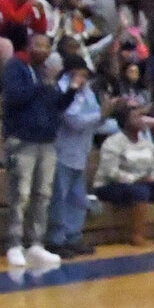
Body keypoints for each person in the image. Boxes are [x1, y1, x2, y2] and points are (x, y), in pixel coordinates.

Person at [0, 25, 69, 270]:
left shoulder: (46, 73)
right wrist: (44, 84)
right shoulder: (15, 68)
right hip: (22, 140)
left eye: (46, 46)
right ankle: (14, 244)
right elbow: (15, 98)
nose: (43, 50)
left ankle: (36, 244)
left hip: (47, 142)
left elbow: (57, 106)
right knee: (21, 194)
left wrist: (71, 90)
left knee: (43, 194)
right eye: (38, 45)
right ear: (28, 47)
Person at [45, 63, 106, 259]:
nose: (84, 78)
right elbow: (74, 120)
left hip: (81, 153)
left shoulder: (87, 91)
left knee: (78, 199)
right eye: (80, 74)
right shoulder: (61, 89)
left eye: (86, 75)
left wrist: (111, 115)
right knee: (59, 199)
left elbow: (96, 120)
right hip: (62, 153)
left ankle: (73, 237)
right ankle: (56, 240)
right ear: (70, 72)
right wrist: (101, 114)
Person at [93, 105, 154, 246]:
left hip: (143, 183)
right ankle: (137, 235)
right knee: (139, 191)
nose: (142, 120)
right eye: (136, 117)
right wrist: (135, 179)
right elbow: (110, 172)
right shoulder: (113, 142)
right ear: (125, 122)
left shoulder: (147, 144)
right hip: (109, 185)